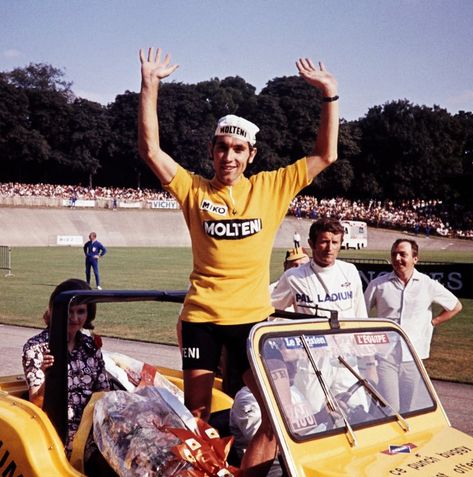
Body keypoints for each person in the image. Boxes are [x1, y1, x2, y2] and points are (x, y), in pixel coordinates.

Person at [138, 47, 339, 475]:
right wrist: (150, 85)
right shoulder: (194, 189)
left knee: (275, 414)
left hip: (252, 320)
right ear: (211, 151)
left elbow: (326, 155)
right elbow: (151, 151)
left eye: (237, 149)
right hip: (203, 319)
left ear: (251, 155)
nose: (228, 157)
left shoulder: (271, 187)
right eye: (221, 148)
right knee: (194, 417)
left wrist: (329, 96)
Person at [363, 238, 462, 412]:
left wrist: (433, 322)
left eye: (403, 254)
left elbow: (455, 306)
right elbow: (360, 314)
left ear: (415, 259)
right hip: (385, 356)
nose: (397, 258)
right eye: (394, 254)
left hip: (414, 357)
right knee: (390, 407)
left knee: (409, 409)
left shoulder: (428, 284)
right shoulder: (378, 285)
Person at [21, 278, 110, 452]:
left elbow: (104, 394)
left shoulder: (90, 346)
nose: (74, 318)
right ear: (56, 311)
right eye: (69, 311)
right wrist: (49, 377)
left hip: (92, 429)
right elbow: (37, 403)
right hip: (58, 434)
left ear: (89, 313)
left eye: (81, 311)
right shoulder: (37, 348)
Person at [271, 218, 368, 319]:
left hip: (347, 334)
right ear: (312, 244)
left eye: (335, 242)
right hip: (312, 334)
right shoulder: (292, 277)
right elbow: (270, 311)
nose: (329, 248)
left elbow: (360, 314)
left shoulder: (350, 271)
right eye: (324, 242)